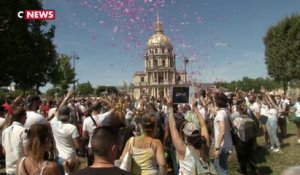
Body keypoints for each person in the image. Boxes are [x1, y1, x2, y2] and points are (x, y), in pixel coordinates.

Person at [168, 98, 216, 175]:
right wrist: (195, 108)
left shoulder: (183, 150)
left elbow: (172, 127)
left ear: (186, 137)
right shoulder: (205, 145)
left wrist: (170, 107)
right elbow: (203, 125)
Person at [51, 105, 82, 175]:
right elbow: (78, 146)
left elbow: (56, 114)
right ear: (69, 114)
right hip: (70, 158)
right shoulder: (72, 128)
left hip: (58, 156)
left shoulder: (53, 124)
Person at [233, 102, 259, 175]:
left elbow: (234, 131)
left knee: (242, 159)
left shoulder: (236, 120)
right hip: (250, 141)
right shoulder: (251, 120)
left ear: (239, 111)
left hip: (241, 142)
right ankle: (256, 170)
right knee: (250, 156)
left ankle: (244, 172)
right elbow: (255, 130)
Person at [2, 106, 28, 175]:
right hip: (21, 169)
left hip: (9, 168)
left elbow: (4, 151)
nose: (26, 118)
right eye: (25, 116)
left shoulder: (5, 131)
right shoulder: (24, 131)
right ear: (22, 117)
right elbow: (27, 152)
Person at [213, 93, 233, 175]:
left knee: (222, 170)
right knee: (216, 164)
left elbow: (222, 131)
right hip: (227, 143)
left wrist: (217, 148)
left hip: (222, 145)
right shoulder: (226, 111)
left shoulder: (220, 113)